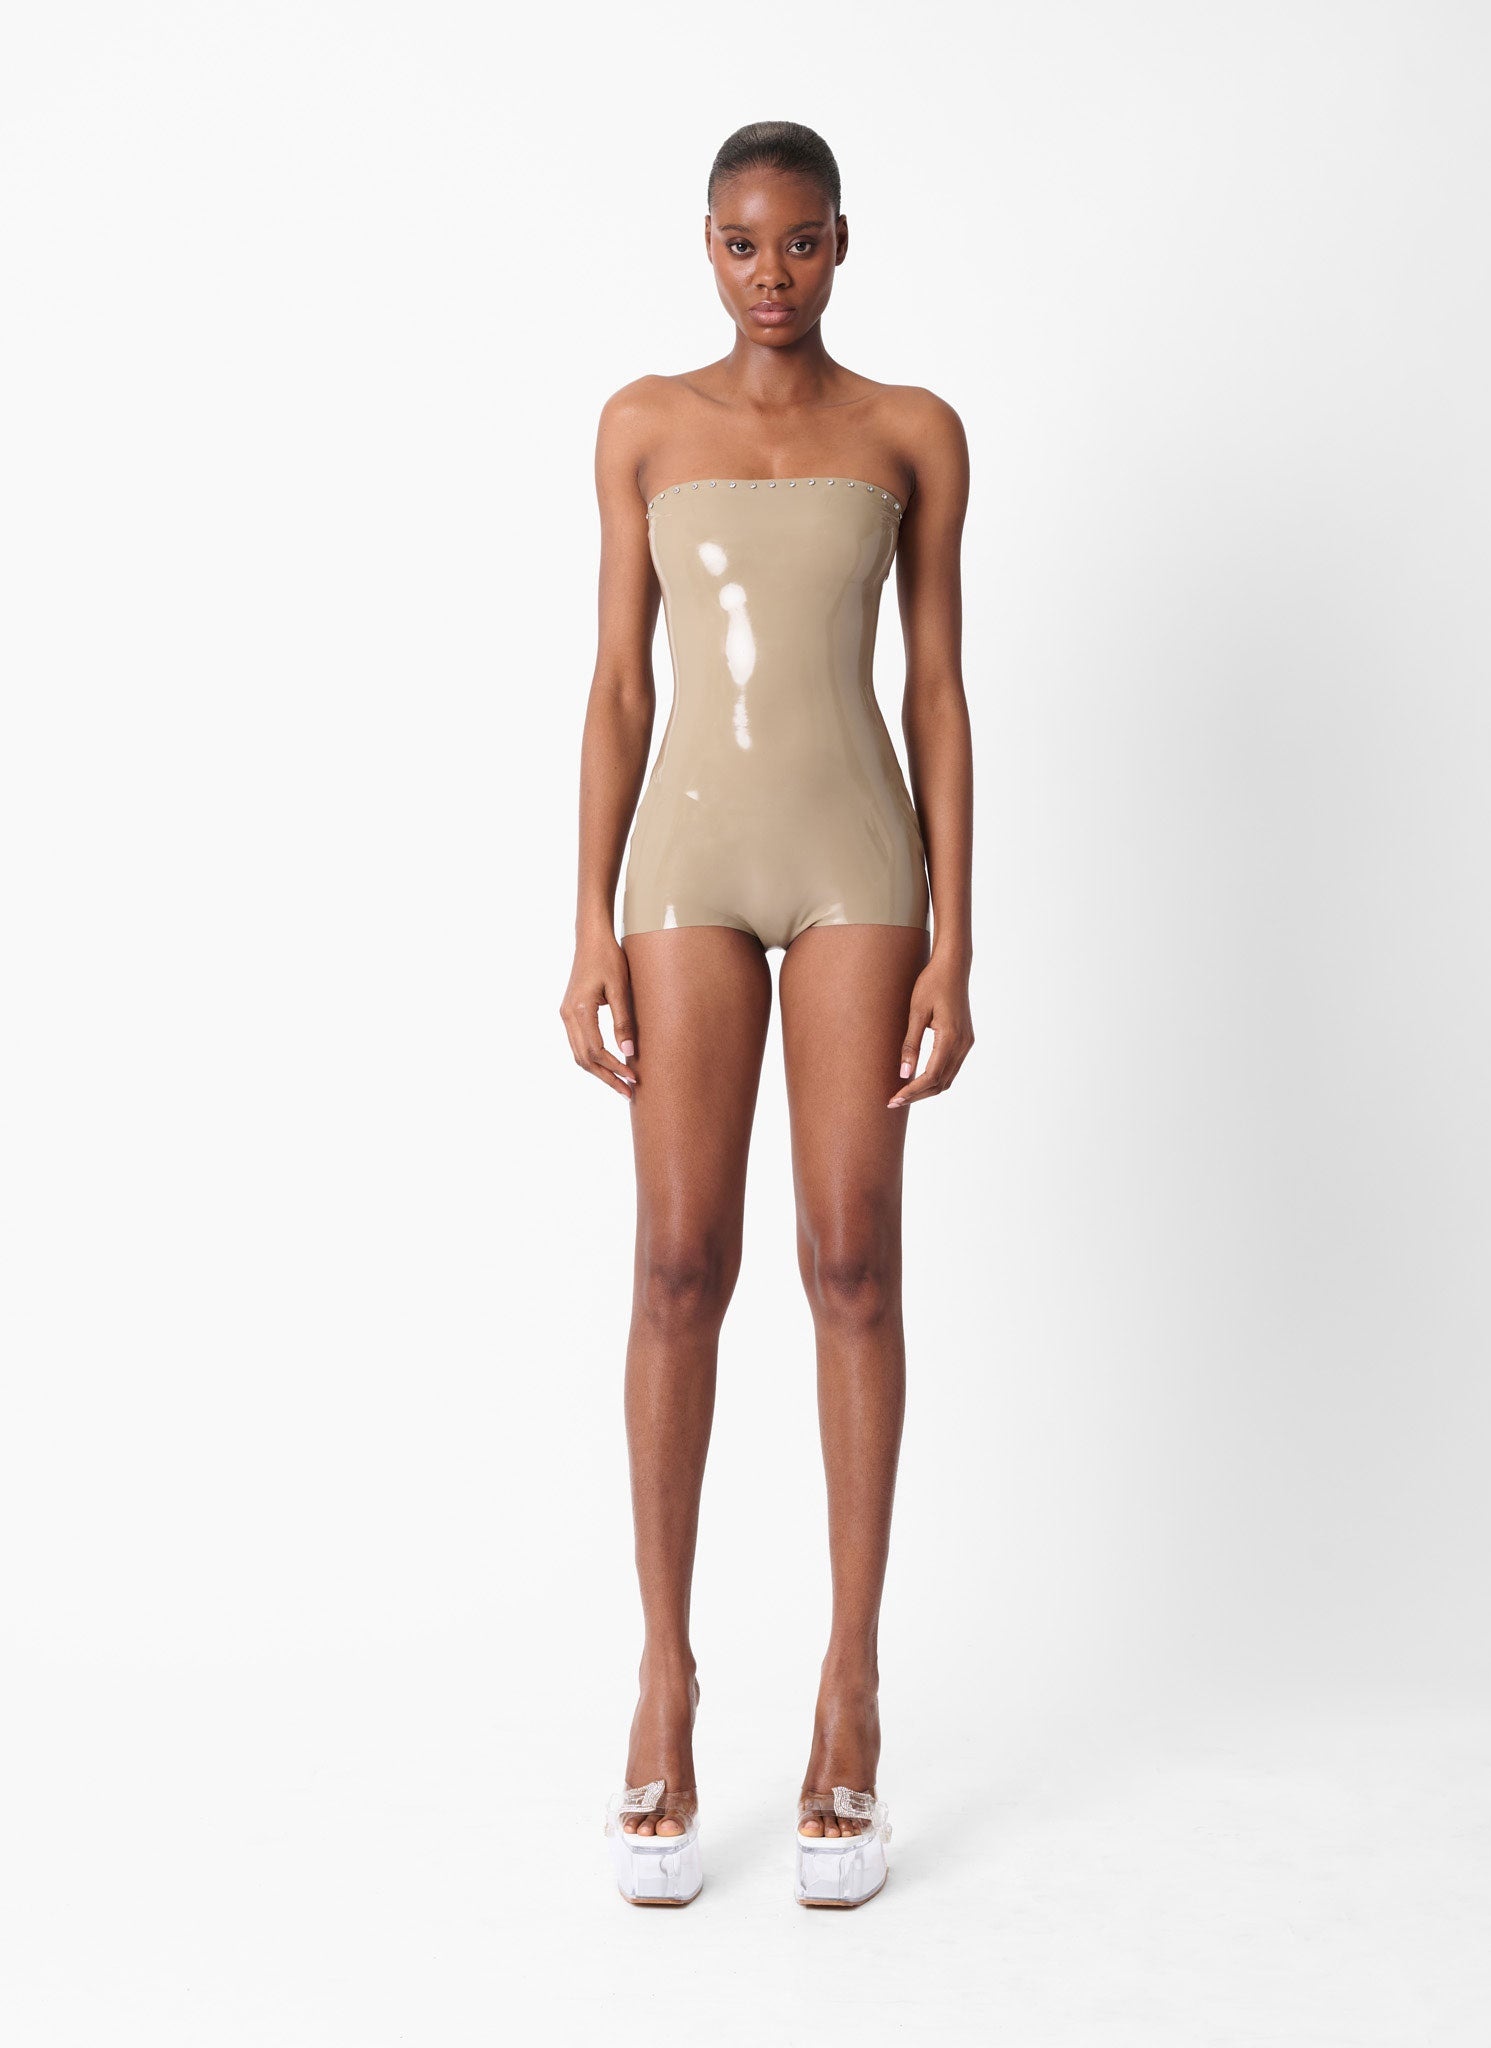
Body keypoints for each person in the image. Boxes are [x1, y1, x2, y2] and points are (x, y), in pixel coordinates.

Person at [561, 118, 976, 1908]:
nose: (772, 276)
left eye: (800, 242)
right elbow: (617, 684)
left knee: (852, 1258)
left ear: (842, 243)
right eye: (742, 245)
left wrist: (958, 937)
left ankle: (851, 1685)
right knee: (678, 1261)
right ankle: (664, 1675)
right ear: (707, 248)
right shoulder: (643, 425)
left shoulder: (911, 432)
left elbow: (937, 685)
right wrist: (587, 920)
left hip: (856, 858)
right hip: (690, 865)